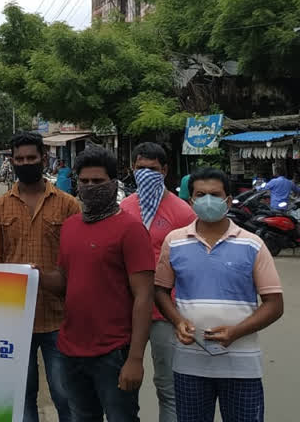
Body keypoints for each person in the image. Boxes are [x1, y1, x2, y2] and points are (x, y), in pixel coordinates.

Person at [155, 167, 284, 422]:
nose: (207, 200)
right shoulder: (174, 241)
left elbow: (274, 304)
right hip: (189, 365)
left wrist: (237, 331)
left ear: (227, 200)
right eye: (200, 194)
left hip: (242, 367)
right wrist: (177, 321)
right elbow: (160, 291)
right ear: (191, 200)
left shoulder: (252, 244)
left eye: (215, 194)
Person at [38, 147, 155, 421]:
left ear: (113, 183)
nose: (90, 187)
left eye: (98, 182)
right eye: (85, 181)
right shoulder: (70, 226)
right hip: (70, 350)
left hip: (113, 353)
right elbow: (65, 281)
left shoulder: (131, 229)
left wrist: (135, 359)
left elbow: (144, 297)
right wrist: (36, 277)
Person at [0, 132, 81, 422]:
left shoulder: (68, 205)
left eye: (31, 158)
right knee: (21, 398)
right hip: (15, 322)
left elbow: (77, 265)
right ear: (12, 162)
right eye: (20, 159)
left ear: (43, 158)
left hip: (58, 318)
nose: (25, 163)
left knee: (66, 396)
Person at [119, 142, 196, 422]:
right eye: (140, 168)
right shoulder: (124, 208)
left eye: (152, 169)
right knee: (125, 384)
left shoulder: (183, 212)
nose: (146, 173)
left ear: (164, 170)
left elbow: (191, 264)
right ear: (131, 169)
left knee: (168, 387)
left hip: (167, 311)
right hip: (127, 311)